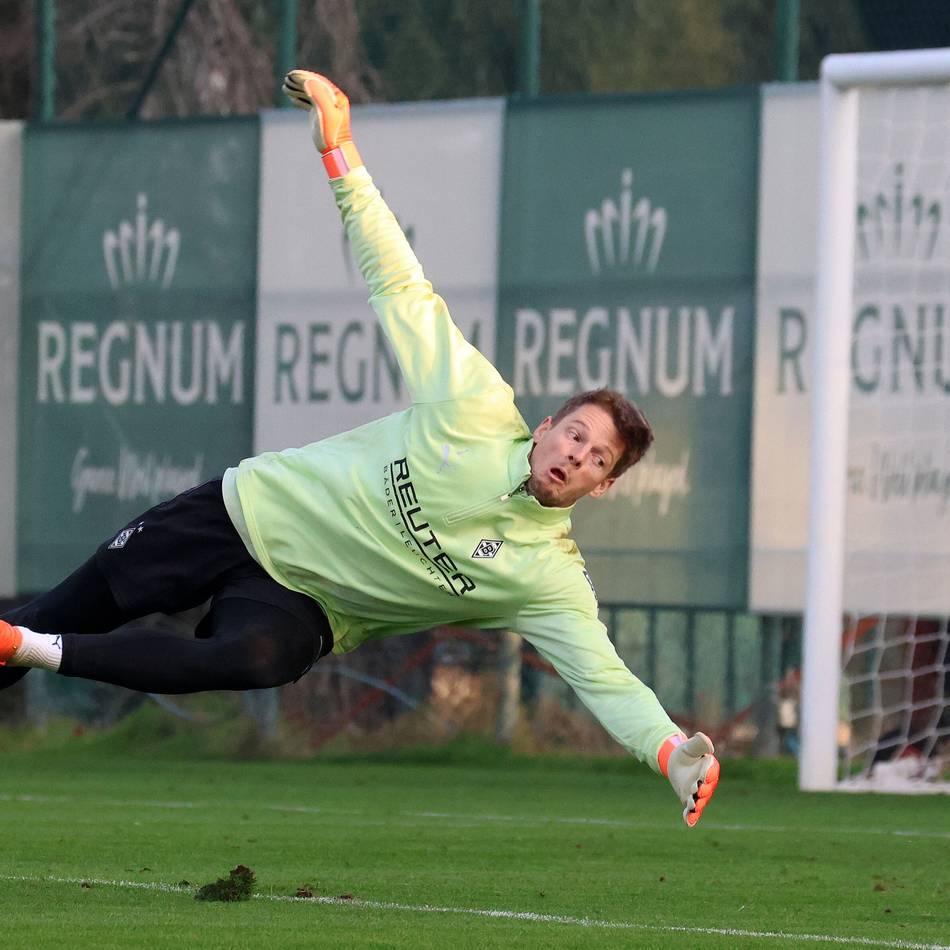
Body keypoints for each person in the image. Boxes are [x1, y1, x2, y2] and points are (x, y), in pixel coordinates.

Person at [0, 70, 719, 826]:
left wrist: (669, 751)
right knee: (57, 611)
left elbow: (606, 679)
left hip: (306, 606)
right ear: (545, 427)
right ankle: (24, 641)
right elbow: (400, 283)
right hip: (246, 513)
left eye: (599, 458)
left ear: (602, 487)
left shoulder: (548, 579)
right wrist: (339, 154)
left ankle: (32, 648)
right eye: (576, 433)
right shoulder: (474, 406)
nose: (577, 454)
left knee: (247, 660)